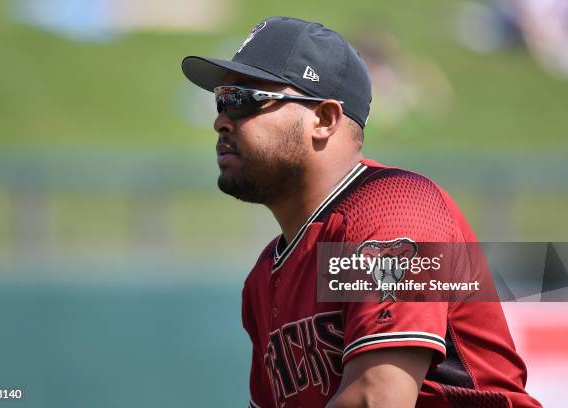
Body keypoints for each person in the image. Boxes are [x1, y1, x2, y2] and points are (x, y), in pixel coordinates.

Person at [181, 16, 541, 408]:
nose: (220, 121)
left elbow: (377, 398)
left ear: (323, 119)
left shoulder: (390, 207)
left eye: (243, 101)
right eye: (222, 100)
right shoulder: (265, 275)